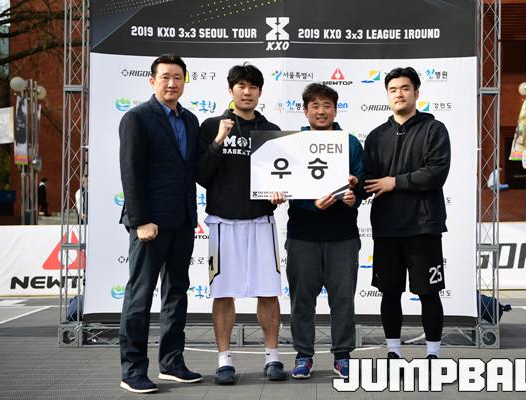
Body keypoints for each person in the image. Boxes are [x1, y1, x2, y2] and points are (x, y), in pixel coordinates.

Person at [197, 63, 288, 385]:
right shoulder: (212, 126)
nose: (247, 92)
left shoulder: (270, 130)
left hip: (261, 220)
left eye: (252, 87)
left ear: (260, 92)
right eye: (241, 86)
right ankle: (224, 360)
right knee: (223, 294)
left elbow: (280, 175)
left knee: (268, 292)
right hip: (223, 222)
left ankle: (272, 356)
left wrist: (279, 192)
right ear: (231, 90)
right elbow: (201, 174)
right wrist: (219, 140)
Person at [118, 54, 201, 394]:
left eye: (178, 77)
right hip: (149, 224)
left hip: (182, 221)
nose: (172, 83)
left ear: (184, 82)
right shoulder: (137, 118)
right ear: (152, 81)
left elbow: (191, 169)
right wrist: (141, 220)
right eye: (165, 77)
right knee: (140, 297)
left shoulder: (191, 120)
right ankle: (133, 370)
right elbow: (131, 171)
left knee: (176, 294)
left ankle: (171, 363)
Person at [359, 67, 451, 360]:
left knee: (428, 293)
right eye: (393, 90)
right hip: (387, 228)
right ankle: (393, 351)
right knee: (389, 293)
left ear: (416, 93)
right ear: (387, 95)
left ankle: (433, 354)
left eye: (405, 88)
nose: (399, 94)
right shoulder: (376, 137)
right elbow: (368, 181)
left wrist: (395, 182)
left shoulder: (434, 130)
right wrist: (353, 186)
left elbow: (436, 173)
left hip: (423, 227)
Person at [286, 83, 364, 380]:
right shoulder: (292, 143)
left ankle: (342, 356)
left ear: (336, 110)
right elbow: (283, 182)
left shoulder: (350, 143)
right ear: (305, 111)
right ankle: (303, 355)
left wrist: (354, 192)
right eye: (315, 106)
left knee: (342, 299)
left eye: (327, 105)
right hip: (302, 233)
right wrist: (310, 203)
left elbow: (362, 181)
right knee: (301, 299)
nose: (321, 111)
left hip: (343, 234)